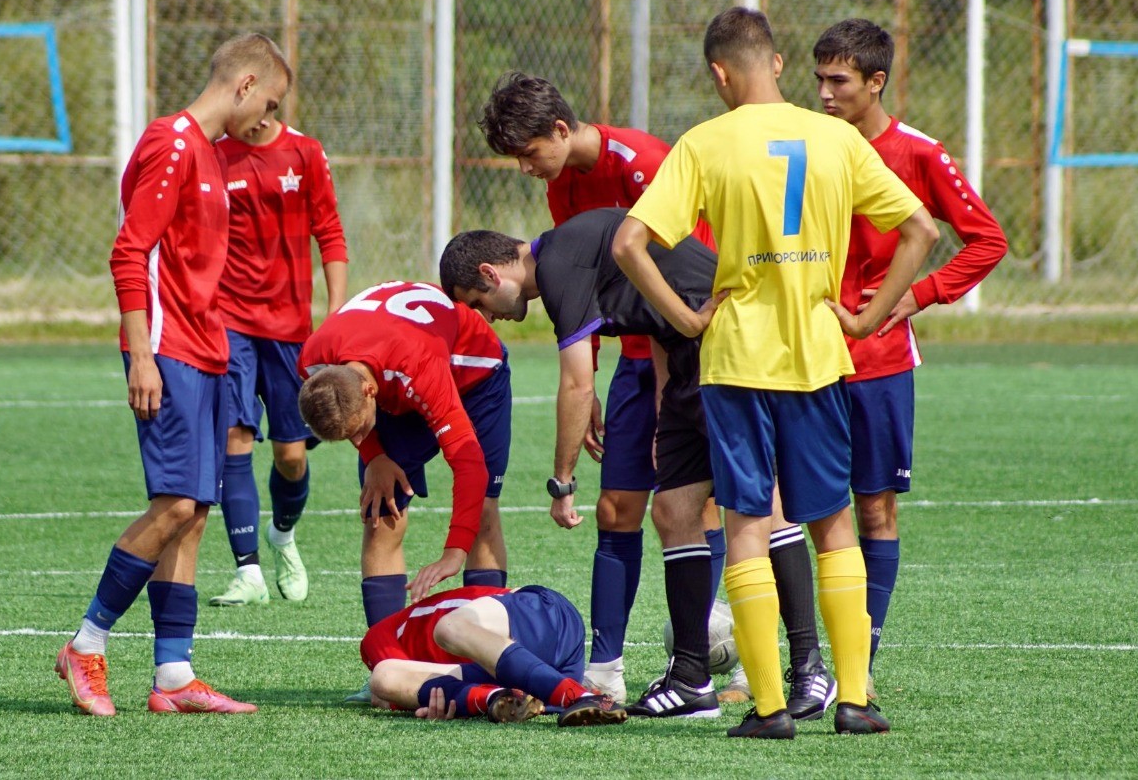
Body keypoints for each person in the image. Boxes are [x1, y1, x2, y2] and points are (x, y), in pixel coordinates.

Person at [611, 7, 939, 739]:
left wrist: (685, 318)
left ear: (719, 73)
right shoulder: (836, 138)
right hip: (818, 353)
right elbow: (921, 229)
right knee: (833, 521)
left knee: (748, 525)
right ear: (780, 64)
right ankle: (853, 699)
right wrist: (868, 317)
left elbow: (629, 243)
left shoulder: (704, 143)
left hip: (736, 361)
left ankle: (768, 709)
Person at [479, 72, 831, 712]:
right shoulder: (563, 185)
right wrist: (624, 384)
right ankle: (651, 673)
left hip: (707, 338)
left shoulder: (641, 161)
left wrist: (681, 347)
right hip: (654, 348)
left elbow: (687, 260)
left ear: (559, 129)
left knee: (748, 503)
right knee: (648, 508)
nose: (527, 170)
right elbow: (598, 289)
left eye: (529, 153)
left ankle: (793, 664)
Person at [54, 33, 292, 716]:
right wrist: (141, 353)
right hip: (168, 349)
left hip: (209, 350)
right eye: (270, 102)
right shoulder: (172, 142)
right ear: (245, 85)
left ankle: (174, 674)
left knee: (196, 515)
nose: (269, 118)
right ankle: (86, 643)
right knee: (176, 506)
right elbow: (130, 251)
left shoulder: (212, 155)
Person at [441, 209, 724, 720]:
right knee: (676, 511)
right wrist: (668, 416)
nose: (487, 317)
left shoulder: (556, 267)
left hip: (727, 340)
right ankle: (692, 679)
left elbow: (576, 384)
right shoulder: (566, 253)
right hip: (698, 347)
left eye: (478, 304)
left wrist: (562, 482)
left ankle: (804, 669)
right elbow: (659, 321)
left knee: (760, 508)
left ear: (490, 273)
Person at [813, 18, 1007, 694]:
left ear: (876, 82)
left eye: (839, 81)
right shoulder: (805, 146)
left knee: (874, 511)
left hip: (879, 363)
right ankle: (799, 666)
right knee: (788, 512)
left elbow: (987, 240)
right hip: (802, 354)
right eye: (819, 79)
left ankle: (856, 666)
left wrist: (919, 293)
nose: (825, 93)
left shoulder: (918, 153)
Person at [297, 280, 512, 635]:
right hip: (392, 369)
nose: (356, 439)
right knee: (380, 513)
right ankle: (386, 654)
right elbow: (353, 421)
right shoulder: (312, 363)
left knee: (483, 511)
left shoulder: (419, 367)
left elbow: (469, 465)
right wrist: (374, 455)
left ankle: (486, 652)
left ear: (369, 392)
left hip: (473, 374)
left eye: (358, 430)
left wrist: (454, 552)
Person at [207, 119, 349, 607]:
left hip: (290, 330)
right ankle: (247, 572)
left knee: (291, 456)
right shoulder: (213, 154)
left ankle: (282, 535)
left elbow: (329, 231)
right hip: (228, 322)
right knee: (235, 437)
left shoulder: (305, 152)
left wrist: (335, 315)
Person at [361, 584, 626, 727]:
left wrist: (401, 700)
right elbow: (389, 681)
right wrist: (440, 700)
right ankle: (496, 699)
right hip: (523, 675)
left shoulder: (379, 635)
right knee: (382, 678)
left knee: (448, 628)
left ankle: (582, 697)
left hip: (544, 617)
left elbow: (386, 692)